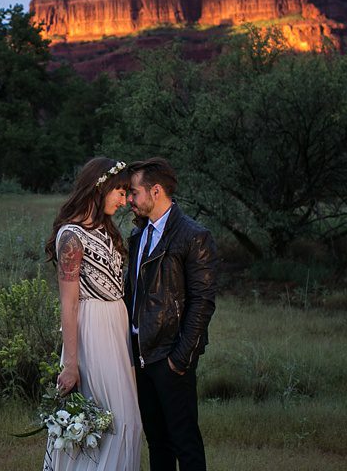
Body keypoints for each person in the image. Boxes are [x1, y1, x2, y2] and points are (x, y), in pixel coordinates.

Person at [44, 157, 142, 471]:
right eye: (120, 191)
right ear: (100, 186)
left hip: (117, 328)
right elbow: (69, 304)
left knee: (122, 422)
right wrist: (71, 365)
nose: (125, 199)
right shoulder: (71, 236)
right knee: (114, 421)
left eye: (128, 192)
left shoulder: (107, 230)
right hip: (91, 330)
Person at [125, 158, 217, 471]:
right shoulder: (138, 237)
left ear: (156, 190)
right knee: (157, 442)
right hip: (140, 355)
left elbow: (203, 302)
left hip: (170, 357)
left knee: (185, 442)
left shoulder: (193, 236)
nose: (129, 200)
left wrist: (180, 358)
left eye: (134, 193)